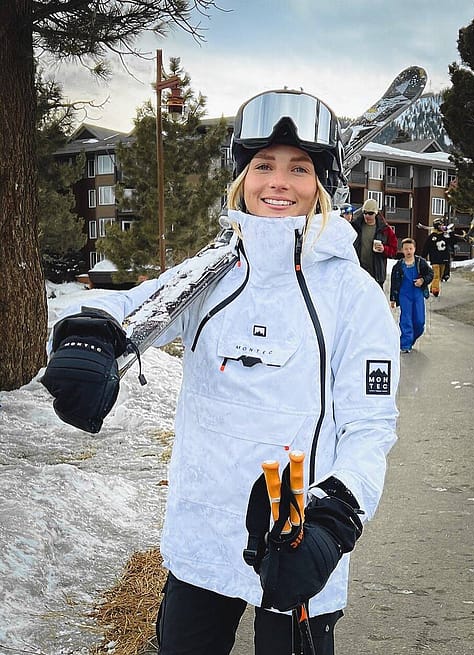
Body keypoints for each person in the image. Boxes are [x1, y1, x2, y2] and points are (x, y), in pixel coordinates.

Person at [41, 89, 400, 655]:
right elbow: (129, 310)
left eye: (299, 169)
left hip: (295, 535)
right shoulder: (213, 273)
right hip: (202, 536)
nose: (278, 182)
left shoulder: (352, 295)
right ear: (241, 176)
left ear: (321, 184)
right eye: (263, 166)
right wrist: (85, 336)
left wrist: (337, 517)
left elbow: (370, 425)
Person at [390, 238, 434, 353]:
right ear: (402, 250)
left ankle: (411, 339)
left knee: (419, 321)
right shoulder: (398, 266)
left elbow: (430, 274)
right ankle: (405, 344)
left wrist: (423, 280)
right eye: (406, 249)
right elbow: (394, 282)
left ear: (414, 249)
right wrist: (393, 299)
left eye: (410, 248)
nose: (408, 251)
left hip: (418, 295)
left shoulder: (420, 263)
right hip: (404, 296)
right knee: (406, 320)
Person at [350, 198, 398, 287]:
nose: (367, 216)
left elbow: (394, 250)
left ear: (376, 213)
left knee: (375, 300)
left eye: (370, 213)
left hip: (377, 275)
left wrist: (384, 249)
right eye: (365, 212)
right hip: (358, 273)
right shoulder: (355, 226)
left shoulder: (385, 229)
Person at [421, 219, 455, 296]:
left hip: (444, 258)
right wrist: (423, 257)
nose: (442, 226)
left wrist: (450, 234)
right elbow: (426, 247)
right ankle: (435, 290)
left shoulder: (445, 235)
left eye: (442, 225)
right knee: (436, 275)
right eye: (440, 225)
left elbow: (452, 242)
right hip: (435, 259)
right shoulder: (432, 236)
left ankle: (432, 288)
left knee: (439, 276)